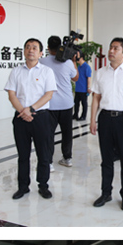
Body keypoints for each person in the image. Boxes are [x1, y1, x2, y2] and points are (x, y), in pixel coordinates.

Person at [89, 38, 123, 211]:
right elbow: (96, 98)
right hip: (105, 118)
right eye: (110, 47)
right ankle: (106, 193)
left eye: (116, 48)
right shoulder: (100, 72)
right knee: (106, 159)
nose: (111, 51)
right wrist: (92, 120)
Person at [4, 38, 57, 200]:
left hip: (41, 118)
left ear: (41, 53)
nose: (30, 50)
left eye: (34, 48)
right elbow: (11, 94)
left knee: (43, 154)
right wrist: (23, 111)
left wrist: (31, 109)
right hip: (20, 118)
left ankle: (43, 185)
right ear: (24, 51)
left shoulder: (47, 71)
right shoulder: (16, 71)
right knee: (23, 155)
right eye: (27, 47)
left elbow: (49, 94)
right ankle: (23, 187)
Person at [39, 36, 79, 169]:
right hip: (66, 103)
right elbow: (75, 78)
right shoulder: (68, 62)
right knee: (67, 133)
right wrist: (74, 62)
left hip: (49, 104)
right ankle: (67, 158)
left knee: (48, 134)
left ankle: (49, 162)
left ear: (48, 47)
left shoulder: (42, 62)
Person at [73, 54, 93, 123]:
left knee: (84, 103)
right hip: (77, 88)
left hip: (83, 89)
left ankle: (83, 116)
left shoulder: (87, 67)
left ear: (81, 58)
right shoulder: (79, 66)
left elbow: (89, 78)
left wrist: (88, 87)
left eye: (78, 58)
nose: (77, 60)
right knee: (76, 103)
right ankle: (75, 114)